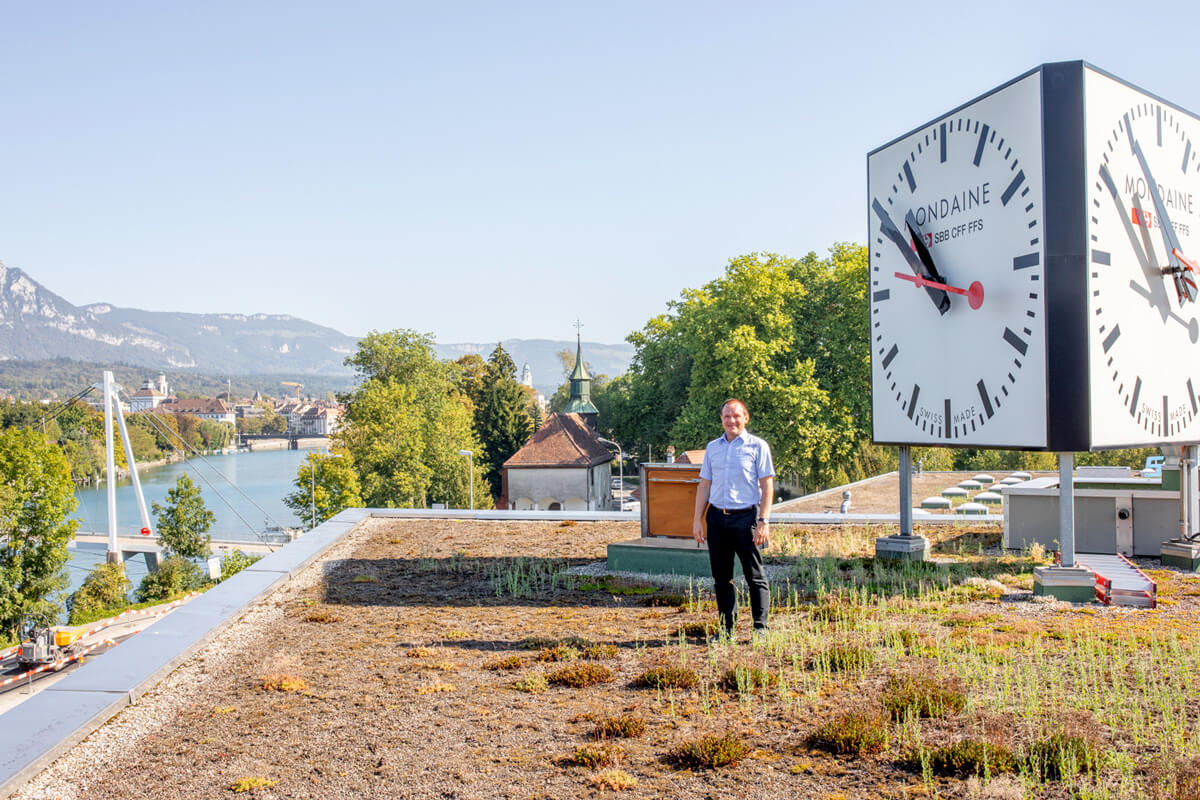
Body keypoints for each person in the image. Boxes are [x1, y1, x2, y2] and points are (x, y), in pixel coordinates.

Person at [691, 398, 774, 640]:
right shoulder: (713, 448)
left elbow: (767, 486)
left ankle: (760, 629)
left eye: (736, 416)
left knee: (755, 576)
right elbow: (704, 486)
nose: (731, 421)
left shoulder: (758, 447)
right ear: (721, 420)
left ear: (746, 418)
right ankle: (726, 630)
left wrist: (764, 521)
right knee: (722, 578)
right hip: (717, 519)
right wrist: (698, 520)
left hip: (746, 519)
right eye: (727, 416)